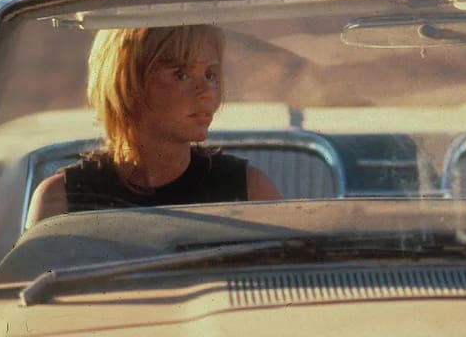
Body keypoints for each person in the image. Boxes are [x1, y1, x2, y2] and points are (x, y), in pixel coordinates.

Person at [25, 23, 280, 228]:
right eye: (182, 74)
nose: (207, 92)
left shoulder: (250, 190)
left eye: (210, 74)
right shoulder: (62, 200)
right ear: (128, 81)